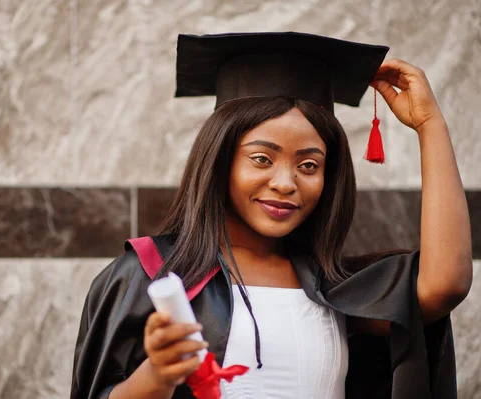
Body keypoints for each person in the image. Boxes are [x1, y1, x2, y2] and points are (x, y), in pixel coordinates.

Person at [70, 32, 473, 399]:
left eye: (309, 165)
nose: (285, 182)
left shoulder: (334, 290)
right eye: (261, 158)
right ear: (220, 160)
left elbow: (444, 286)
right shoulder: (151, 275)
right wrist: (157, 377)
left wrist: (428, 124)